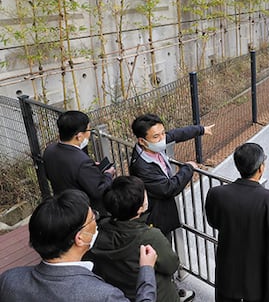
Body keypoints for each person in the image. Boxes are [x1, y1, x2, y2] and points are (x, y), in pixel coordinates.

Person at [0, 189, 157, 302]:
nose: (96, 222)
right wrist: (146, 271)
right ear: (80, 238)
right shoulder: (103, 295)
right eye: (92, 218)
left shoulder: (10, 279)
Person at [205, 142, 269, 302]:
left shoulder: (216, 193)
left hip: (228, 275)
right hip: (259, 282)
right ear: (261, 168)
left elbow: (214, 222)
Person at [89, 176, 194, 302]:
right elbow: (171, 265)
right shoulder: (150, 237)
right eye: (145, 195)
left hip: (123, 294)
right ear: (140, 208)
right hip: (156, 295)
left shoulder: (99, 229)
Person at [129, 113, 214, 238]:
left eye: (163, 133)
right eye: (156, 136)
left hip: (161, 212)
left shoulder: (152, 145)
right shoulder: (142, 167)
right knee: (162, 245)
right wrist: (188, 168)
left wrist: (201, 130)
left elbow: (175, 134)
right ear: (142, 141)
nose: (162, 139)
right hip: (155, 220)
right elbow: (168, 188)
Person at [43, 110, 116, 213]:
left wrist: (90, 169)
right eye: (89, 130)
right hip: (82, 210)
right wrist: (108, 174)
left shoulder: (49, 150)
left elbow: (50, 175)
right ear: (79, 136)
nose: (89, 133)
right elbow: (98, 190)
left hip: (62, 205)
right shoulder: (82, 162)